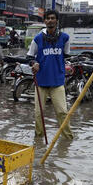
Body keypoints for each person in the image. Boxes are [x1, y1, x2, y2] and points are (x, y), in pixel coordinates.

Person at [27, 9, 74, 140]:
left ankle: (68, 140)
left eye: (53, 18)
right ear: (45, 21)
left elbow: (66, 55)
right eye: (47, 18)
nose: (50, 20)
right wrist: (33, 63)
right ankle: (39, 139)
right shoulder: (38, 38)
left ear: (56, 21)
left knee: (62, 112)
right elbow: (29, 56)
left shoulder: (65, 38)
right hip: (41, 82)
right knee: (38, 114)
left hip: (57, 81)